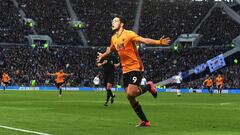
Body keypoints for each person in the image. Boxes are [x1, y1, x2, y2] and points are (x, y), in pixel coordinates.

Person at [97, 15, 170, 127]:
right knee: (130, 97)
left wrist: (158, 42)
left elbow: (143, 40)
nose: (113, 22)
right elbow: (111, 49)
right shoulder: (114, 38)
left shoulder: (129, 34)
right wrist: (103, 55)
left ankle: (149, 86)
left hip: (136, 66)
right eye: (112, 21)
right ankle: (145, 121)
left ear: (121, 24)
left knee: (131, 93)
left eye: (115, 21)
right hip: (125, 69)